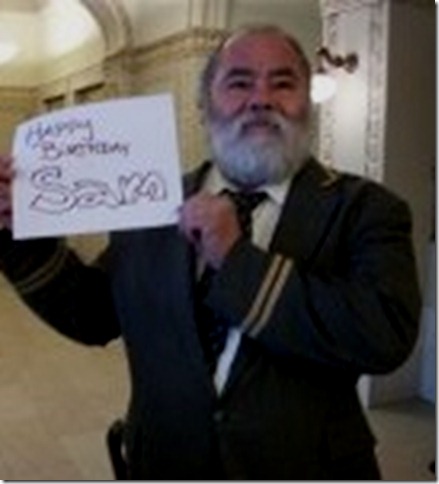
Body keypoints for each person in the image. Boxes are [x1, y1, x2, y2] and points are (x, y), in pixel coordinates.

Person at [0, 25, 421, 480]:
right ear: (203, 107)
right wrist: (16, 236)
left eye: (283, 83)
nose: (261, 99)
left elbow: (384, 337)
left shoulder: (365, 209)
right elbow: (92, 313)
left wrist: (237, 260)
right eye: (239, 83)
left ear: (308, 105)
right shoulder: (150, 200)